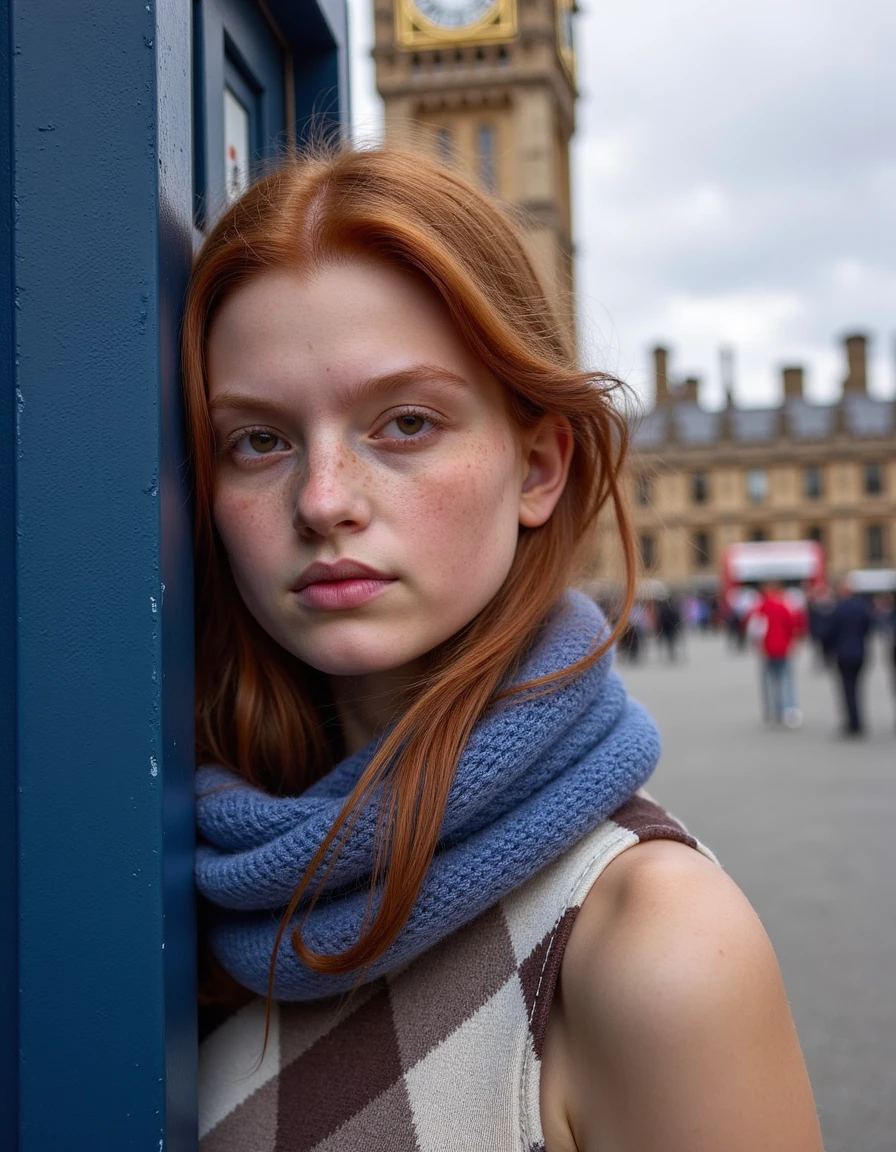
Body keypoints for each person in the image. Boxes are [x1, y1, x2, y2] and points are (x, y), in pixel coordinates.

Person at [186, 147, 821, 1151]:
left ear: (536, 467)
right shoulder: (214, 862)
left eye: (403, 422)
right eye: (257, 441)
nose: (321, 501)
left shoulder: (650, 943)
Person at [749, 581, 803, 728]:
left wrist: (757, 645)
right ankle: (790, 710)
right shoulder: (784, 605)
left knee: (769, 682)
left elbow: (754, 629)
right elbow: (793, 624)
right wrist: (793, 642)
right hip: (784, 648)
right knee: (787, 680)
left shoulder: (760, 607)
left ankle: (773, 711)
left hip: (767, 649)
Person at [827, 578, 875, 736]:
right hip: (859, 652)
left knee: (847, 689)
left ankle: (852, 722)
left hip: (843, 653)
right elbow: (868, 627)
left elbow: (830, 632)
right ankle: (858, 720)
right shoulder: (862, 607)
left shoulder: (838, 608)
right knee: (858, 687)